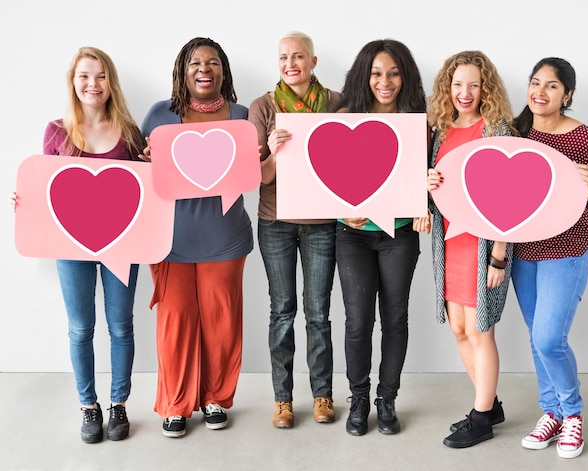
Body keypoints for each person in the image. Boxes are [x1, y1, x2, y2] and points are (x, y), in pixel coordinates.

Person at [10, 47, 144, 443]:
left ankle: (119, 403)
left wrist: (154, 164)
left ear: (111, 82)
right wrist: (25, 199)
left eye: (101, 76)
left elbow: (144, 192)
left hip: (122, 246)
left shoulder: (130, 131)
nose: (93, 84)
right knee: (80, 328)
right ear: (73, 82)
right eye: (85, 76)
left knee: (121, 326)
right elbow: (48, 190)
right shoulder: (56, 131)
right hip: (71, 247)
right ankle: (89, 407)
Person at [141, 37, 254, 438]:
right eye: (195, 63)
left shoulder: (242, 117)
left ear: (223, 71)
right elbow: (134, 175)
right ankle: (175, 403)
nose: (203, 69)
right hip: (169, 242)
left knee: (221, 322)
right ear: (182, 72)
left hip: (225, 239)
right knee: (175, 322)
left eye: (212, 63)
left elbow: (255, 174)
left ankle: (215, 398)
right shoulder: (159, 115)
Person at [511, 57, 588, 459]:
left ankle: (572, 415)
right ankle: (551, 412)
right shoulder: (516, 133)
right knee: (538, 341)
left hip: (567, 249)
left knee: (550, 339)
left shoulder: (585, 138)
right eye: (536, 83)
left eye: (552, 86)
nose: (540, 91)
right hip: (523, 251)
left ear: (566, 95)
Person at [419, 50, 514, 448]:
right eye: (458, 84)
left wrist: (499, 254)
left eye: (474, 84)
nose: (465, 92)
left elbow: (512, 199)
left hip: (482, 247)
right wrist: (425, 189)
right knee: (459, 328)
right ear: (448, 87)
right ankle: (488, 405)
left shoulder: (497, 131)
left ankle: (481, 418)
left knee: (480, 330)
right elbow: (436, 186)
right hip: (449, 243)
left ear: (485, 87)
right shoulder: (440, 130)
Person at [248, 31, 342, 429]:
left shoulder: (337, 103)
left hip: (322, 224)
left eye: (299, 56)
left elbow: (347, 169)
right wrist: (271, 148)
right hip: (276, 222)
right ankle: (283, 400)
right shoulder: (262, 107)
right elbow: (259, 177)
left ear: (313, 62)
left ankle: (322, 395)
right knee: (282, 311)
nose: (291, 64)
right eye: (284, 57)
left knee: (318, 313)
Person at [337, 39, 425, 436]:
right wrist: (343, 209)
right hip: (353, 235)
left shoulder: (420, 123)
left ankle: (386, 399)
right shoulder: (343, 118)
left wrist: (425, 206)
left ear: (404, 76)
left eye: (393, 72)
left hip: (400, 235)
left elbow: (430, 180)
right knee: (357, 321)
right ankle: (358, 398)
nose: (384, 81)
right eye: (376, 73)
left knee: (395, 319)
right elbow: (325, 178)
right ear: (363, 76)